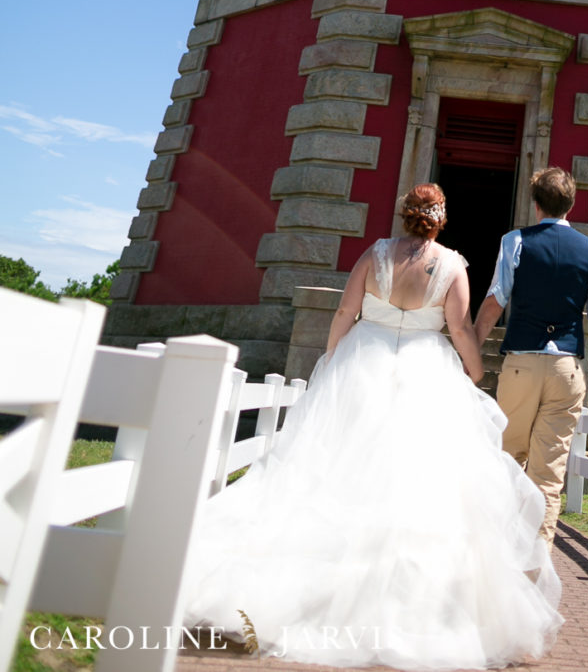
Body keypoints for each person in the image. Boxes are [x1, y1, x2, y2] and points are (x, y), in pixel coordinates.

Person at [183, 183, 562, 670]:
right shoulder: (452, 266)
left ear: (405, 215)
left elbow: (345, 310)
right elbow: (461, 328)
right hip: (427, 371)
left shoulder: (375, 254)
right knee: (418, 486)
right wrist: (474, 370)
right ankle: (411, 602)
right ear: (440, 219)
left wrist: (333, 358)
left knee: (334, 475)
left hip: (364, 360)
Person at [473, 167, 588, 545]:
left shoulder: (514, 242)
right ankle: (536, 571)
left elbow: (494, 302)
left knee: (508, 459)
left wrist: (469, 350)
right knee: (549, 478)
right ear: (570, 205)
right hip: (567, 369)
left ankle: (500, 553)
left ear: (535, 204)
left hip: (521, 363)